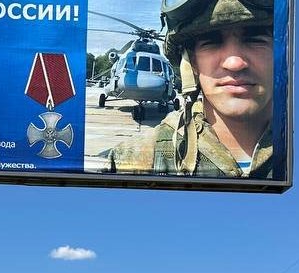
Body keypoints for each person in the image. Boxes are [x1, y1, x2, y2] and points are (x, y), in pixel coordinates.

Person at [107, 0, 277, 178]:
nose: (234, 63)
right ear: (191, 62)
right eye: (211, 42)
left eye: (256, 39)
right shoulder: (131, 161)